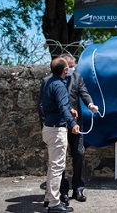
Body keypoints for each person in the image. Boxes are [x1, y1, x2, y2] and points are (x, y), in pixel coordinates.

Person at [38, 54, 99, 206]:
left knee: (78, 153)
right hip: (60, 125)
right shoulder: (51, 82)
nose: (71, 69)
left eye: (73, 66)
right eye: (69, 67)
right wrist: (48, 122)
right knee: (58, 162)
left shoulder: (77, 78)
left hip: (74, 125)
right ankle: (61, 192)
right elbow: (45, 105)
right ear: (64, 68)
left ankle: (77, 187)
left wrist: (90, 104)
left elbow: (84, 93)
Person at [41, 57, 80, 213]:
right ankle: (54, 204)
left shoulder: (49, 83)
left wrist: (69, 111)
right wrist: (73, 124)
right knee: (57, 167)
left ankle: (49, 198)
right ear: (65, 71)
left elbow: (53, 105)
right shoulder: (60, 86)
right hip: (57, 130)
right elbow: (63, 107)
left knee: (52, 166)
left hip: (49, 127)